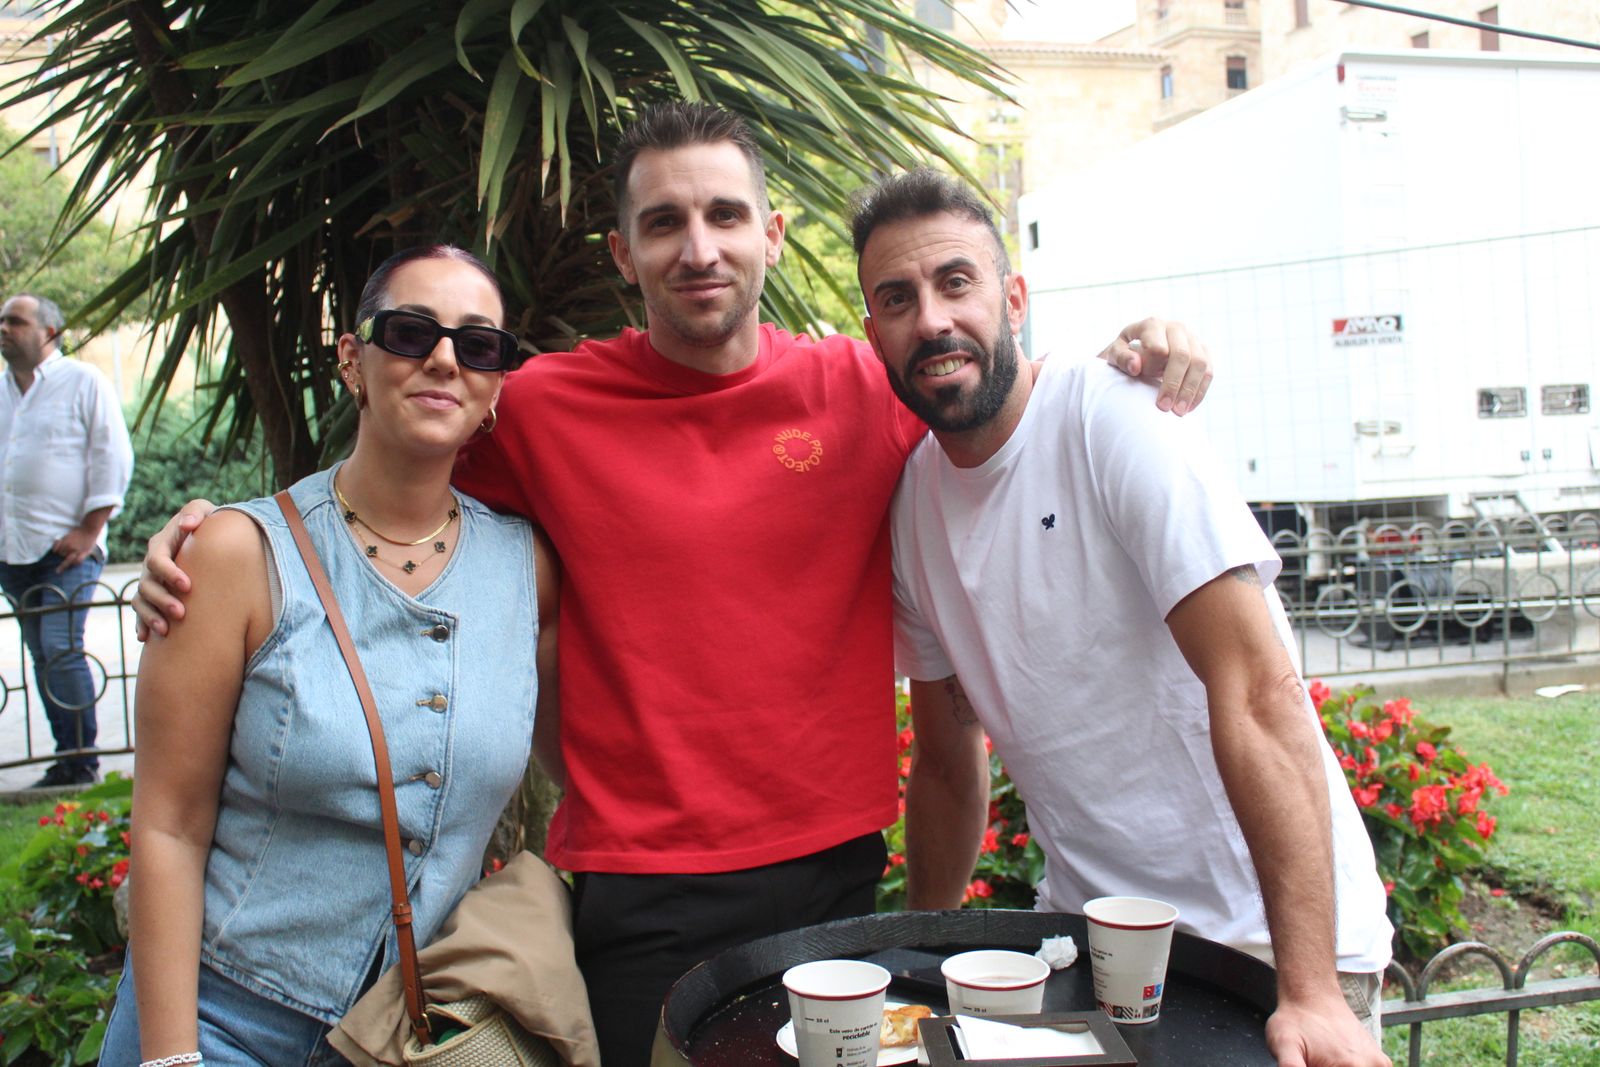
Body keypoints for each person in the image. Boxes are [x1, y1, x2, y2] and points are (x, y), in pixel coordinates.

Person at [133, 104, 1214, 1066]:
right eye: (663, 223)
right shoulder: (544, 405)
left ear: (769, 235)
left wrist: (1136, 351)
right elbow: (397, 459)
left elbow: (995, 391)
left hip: (835, 874)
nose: (698, 248)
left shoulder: (858, 386)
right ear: (622, 252)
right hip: (636, 888)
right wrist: (218, 539)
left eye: (724, 215)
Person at [852, 168, 1392, 1067]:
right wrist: (926, 953)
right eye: (898, 298)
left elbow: (1259, 690)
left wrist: (1312, 992)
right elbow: (947, 756)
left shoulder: (1116, 419)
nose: (933, 320)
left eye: (957, 282)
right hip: (1099, 948)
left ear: (1013, 296)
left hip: (1268, 947)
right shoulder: (913, 507)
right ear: (873, 332)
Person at [100, 247, 558, 1067]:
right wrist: (171, 1058)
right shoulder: (239, 554)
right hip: (223, 1019)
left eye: (478, 344)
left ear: (496, 383)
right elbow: (168, 823)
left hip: (407, 1035)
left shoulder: (526, 570)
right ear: (353, 359)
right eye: (412, 331)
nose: (445, 358)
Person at [0, 293, 134, 788]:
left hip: (66, 551)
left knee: (59, 648)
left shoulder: (83, 382)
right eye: (2, 321)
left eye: (16, 321)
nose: (4, 328)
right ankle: (67, 759)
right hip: (13, 549)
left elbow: (112, 457)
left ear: (49, 333)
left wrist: (90, 528)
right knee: (40, 653)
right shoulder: (1, 392)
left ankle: (81, 762)